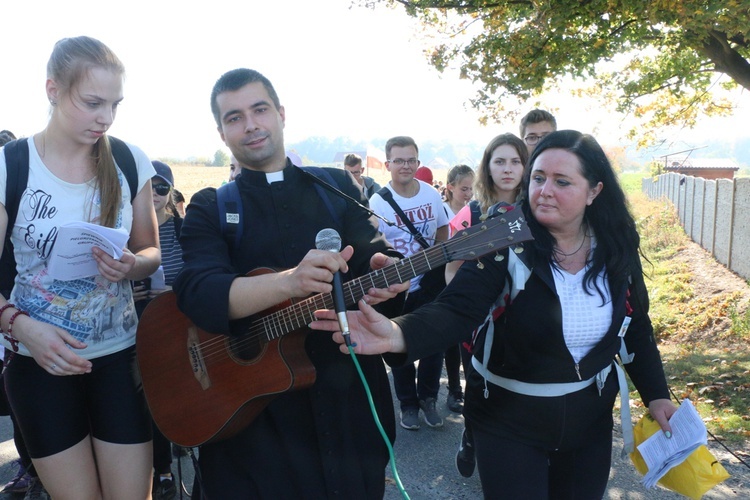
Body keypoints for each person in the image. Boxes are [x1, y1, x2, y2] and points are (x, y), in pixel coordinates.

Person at [314, 130, 678, 499]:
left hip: (590, 422)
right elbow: (457, 307)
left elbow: (635, 325)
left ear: (594, 191)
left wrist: (657, 395)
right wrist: (396, 334)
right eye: (538, 178)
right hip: (507, 422)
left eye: (562, 181)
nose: (544, 190)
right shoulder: (504, 238)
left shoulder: (614, 246)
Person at [172, 68, 407, 498]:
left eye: (260, 109)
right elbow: (198, 291)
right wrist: (288, 283)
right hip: (252, 421)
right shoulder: (211, 207)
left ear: (281, 114)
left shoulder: (335, 186)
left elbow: (374, 255)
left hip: (346, 408)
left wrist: (387, 273)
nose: (251, 125)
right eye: (235, 117)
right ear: (222, 133)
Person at [0, 36, 160, 499]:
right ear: (52, 90)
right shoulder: (12, 166)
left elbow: (151, 252)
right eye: (92, 103)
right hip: (39, 363)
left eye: (114, 105)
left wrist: (130, 266)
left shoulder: (129, 160)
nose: (105, 118)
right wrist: (22, 328)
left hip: (120, 359)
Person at [446, 134, 528, 477]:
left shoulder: (537, 207)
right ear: (487, 166)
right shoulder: (473, 212)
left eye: (515, 161)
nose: (507, 169)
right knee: (477, 385)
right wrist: (468, 306)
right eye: (499, 161)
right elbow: (451, 268)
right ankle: (471, 435)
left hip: (524, 317)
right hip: (478, 320)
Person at [368, 136, 449, 430]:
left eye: (411, 160)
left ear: (418, 162)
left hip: (429, 282)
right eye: (399, 160)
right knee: (396, 346)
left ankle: (428, 398)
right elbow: (372, 245)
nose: (405, 166)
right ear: (388, 164)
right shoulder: (378, 202)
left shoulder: (430, 194)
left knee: (433, 341)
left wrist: (436, 263)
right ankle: (408, 404)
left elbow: (443, 227)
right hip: (396, 287)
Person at [132, 160, 183, 500]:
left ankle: (171, 462)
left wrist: (175, 291)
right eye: (149, 187)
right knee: (144, 397)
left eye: (162, 187)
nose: (155, 195)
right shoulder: (126, 230)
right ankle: (159, 468)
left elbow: (204, 278)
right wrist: (128, 287)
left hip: (178, 323)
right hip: (137, 324)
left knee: (173, 396)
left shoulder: (185, 228)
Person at [440, 165, 475, 414]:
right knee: (451, 341)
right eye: (464, 188)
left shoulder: (476, 212)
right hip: (445, 279)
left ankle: (471, 390)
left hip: (468, 278)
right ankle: (454, 389)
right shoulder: (443, 211)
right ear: (450, 187)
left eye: (473, 188)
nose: (469, 193)